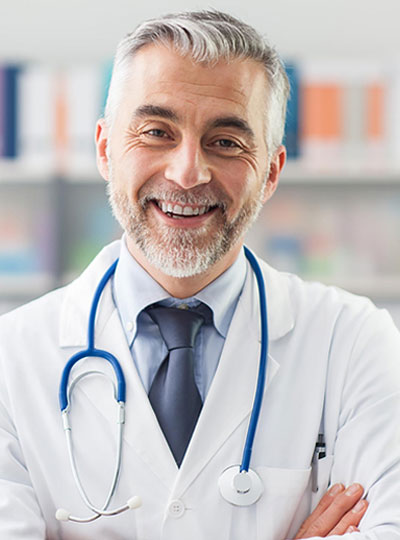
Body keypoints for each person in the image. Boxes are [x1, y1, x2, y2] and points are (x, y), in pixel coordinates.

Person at [0, 9, 400, 540]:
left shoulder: (353, 341)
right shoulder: (11, 359)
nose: (188, 171)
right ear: (104, 149)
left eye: (227, 141)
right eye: (156, 132)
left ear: (272, 172)